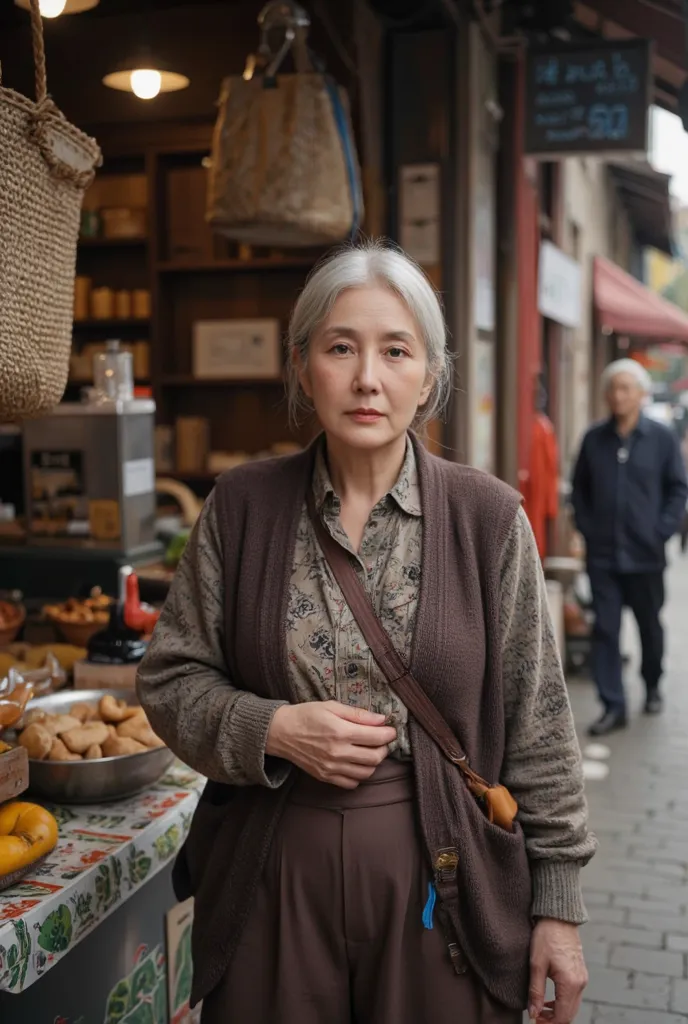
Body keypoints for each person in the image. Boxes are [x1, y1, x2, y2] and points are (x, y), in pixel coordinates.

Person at [137, 241, 595, 1024]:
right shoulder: (242, 506)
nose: (367, 378)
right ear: (302, 364)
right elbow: (171, 679)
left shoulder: (487, 520)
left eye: (395, 350)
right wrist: (272, 727)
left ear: (430, 373)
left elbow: (540, 723)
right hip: (272, 873)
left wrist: (558, 908)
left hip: (438, 879)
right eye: (340, 347)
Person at [571, 359, 688, 736]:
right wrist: (588, 530)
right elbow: (580, 491)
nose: (618, 395)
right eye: (613, 388)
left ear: (641, 394)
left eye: (626, 388)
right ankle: (613, 705)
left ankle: (652, 682)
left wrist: (662, 530)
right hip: (603, 555)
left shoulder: (662, 438)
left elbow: (678, 489)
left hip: (645, 554)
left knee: (649, 626)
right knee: (605, 630)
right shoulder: (594, 439)